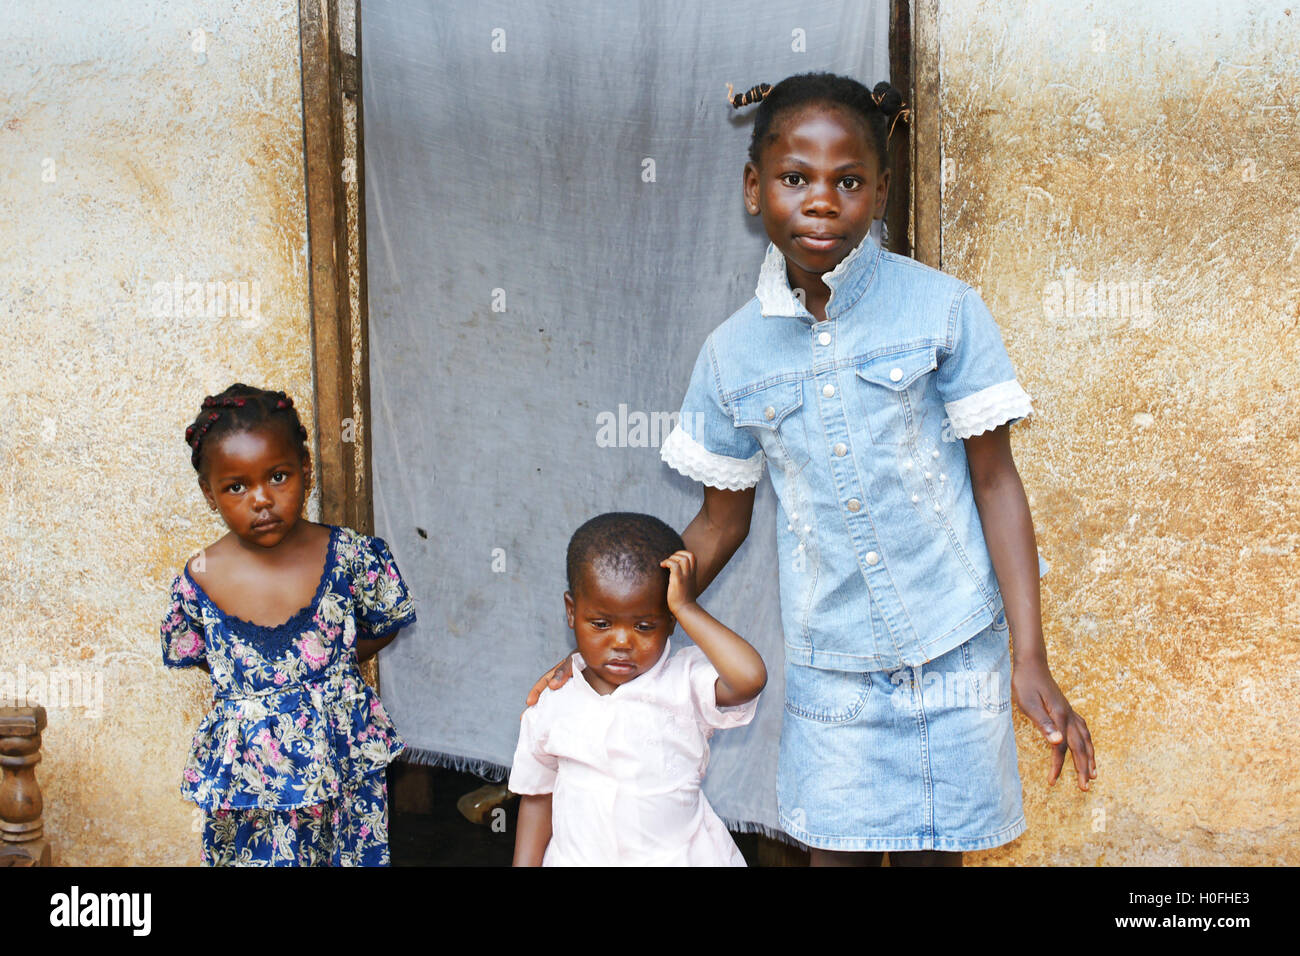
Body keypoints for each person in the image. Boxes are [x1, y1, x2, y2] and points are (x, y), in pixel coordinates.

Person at [531, 73, 1096, 866]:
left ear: (880, 192)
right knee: (835, 856)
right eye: (796, 178)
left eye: (849, 181)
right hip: (833, 670)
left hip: (957, 647)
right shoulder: (732, 355)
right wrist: (613, 625)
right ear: (754, 187)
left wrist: (1029, 655)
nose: (822, 202)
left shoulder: (943, 311)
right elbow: (720, 521)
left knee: (940, 859)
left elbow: (996, 483)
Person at [159, 384, 417, 866]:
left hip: (343, 771)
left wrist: (328, 661)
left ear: (307, 470)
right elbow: (204, 655)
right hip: (251, 789)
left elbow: (385, 624)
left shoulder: (353, 557)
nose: (261, 499)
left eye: (278, 476)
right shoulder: (198, 580)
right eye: (236, 486)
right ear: (209, 494)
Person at [510, 512, 766, 866]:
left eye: (645, 626)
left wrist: (688, 606)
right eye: (600, 623)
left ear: (671, 621)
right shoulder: (553, 699)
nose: (621, 642)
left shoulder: (684, 682)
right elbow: (537, 796)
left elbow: (749, 678)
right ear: (571, 612)